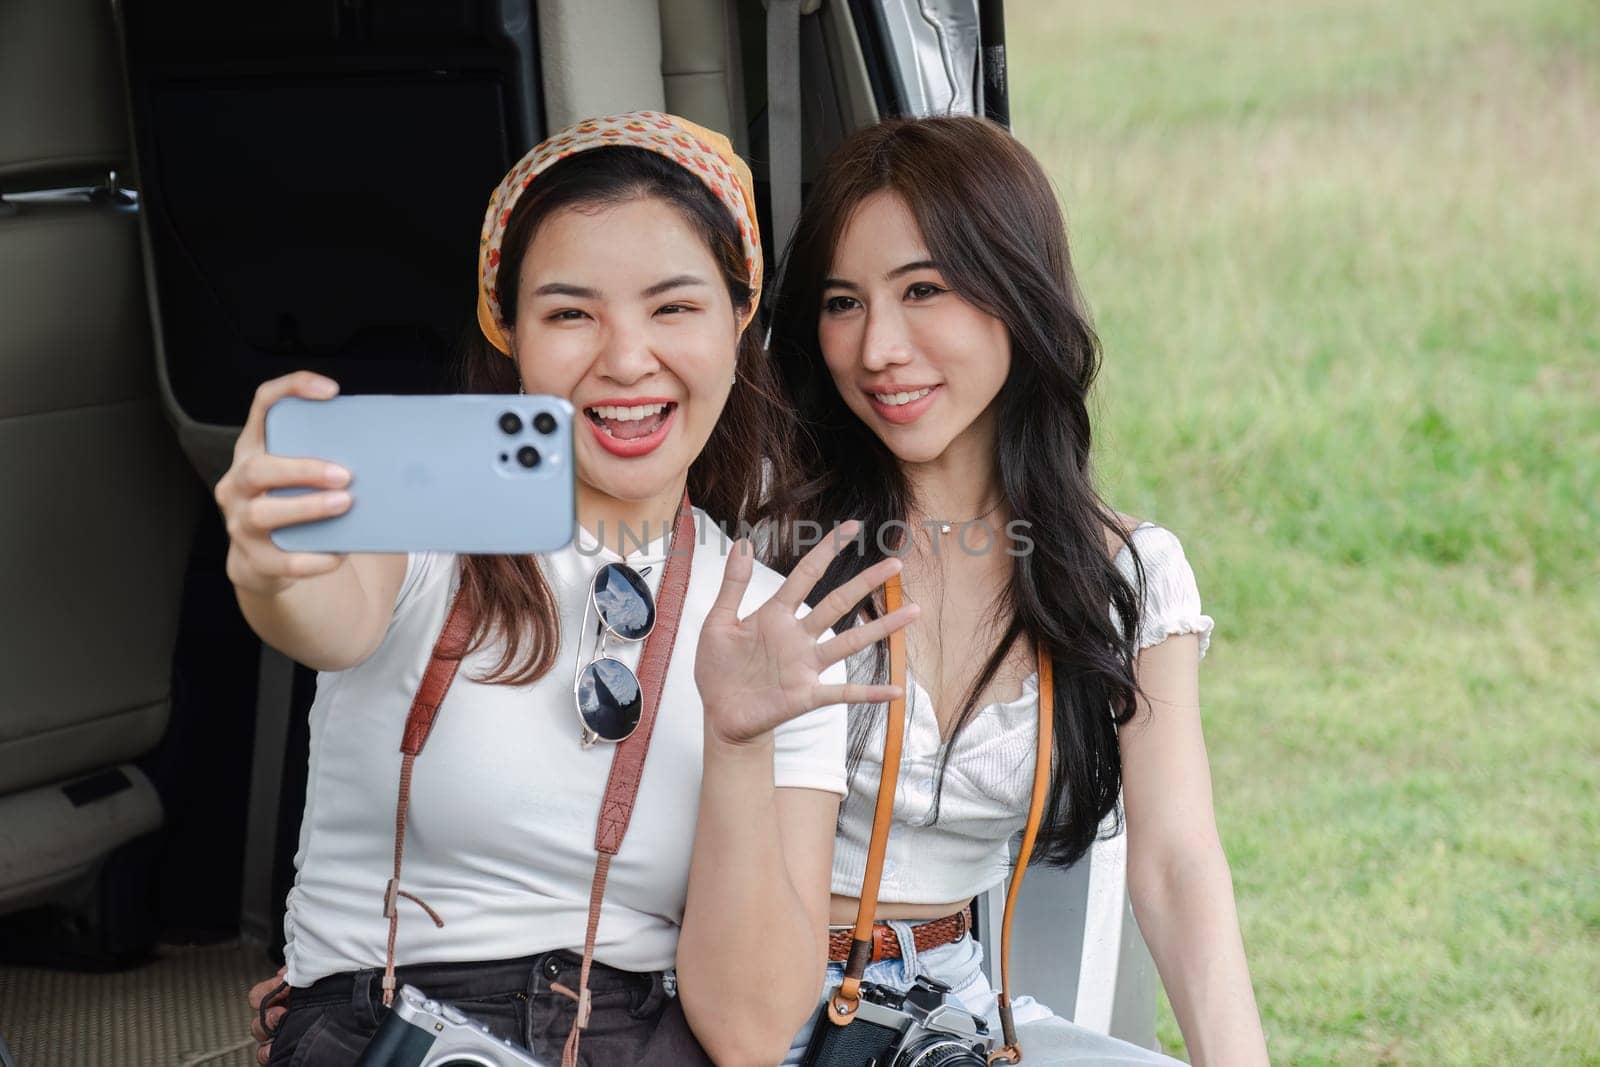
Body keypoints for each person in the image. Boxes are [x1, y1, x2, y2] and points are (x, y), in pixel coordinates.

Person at [228, 111, 917, 1066]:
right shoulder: (432, 508)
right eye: (570, 312)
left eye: (674, 307)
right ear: (507, 330)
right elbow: (327, 614)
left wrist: (738, 740)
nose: (627, 359)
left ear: (738, 319)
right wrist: (273, 567)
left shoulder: (769, 619)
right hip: (394, 1028)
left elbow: (752, 1031)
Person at [765, 116, 1271, 1065]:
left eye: (924, 290)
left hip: (958, 1012)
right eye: (843, 302)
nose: (878, 348)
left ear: (1017, 292)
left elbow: (1175, 864)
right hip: (757, 1004)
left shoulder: (1125, 572)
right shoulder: (770, 543)